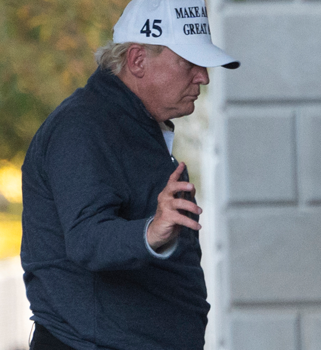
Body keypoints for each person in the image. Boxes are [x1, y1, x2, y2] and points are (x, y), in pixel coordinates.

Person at [20, 0, 239, 349]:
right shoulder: (83, 127)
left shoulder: (126, 125)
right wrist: (151, 232)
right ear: (137, 60)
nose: (204, 76)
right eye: (189, 63)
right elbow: (88, 239)